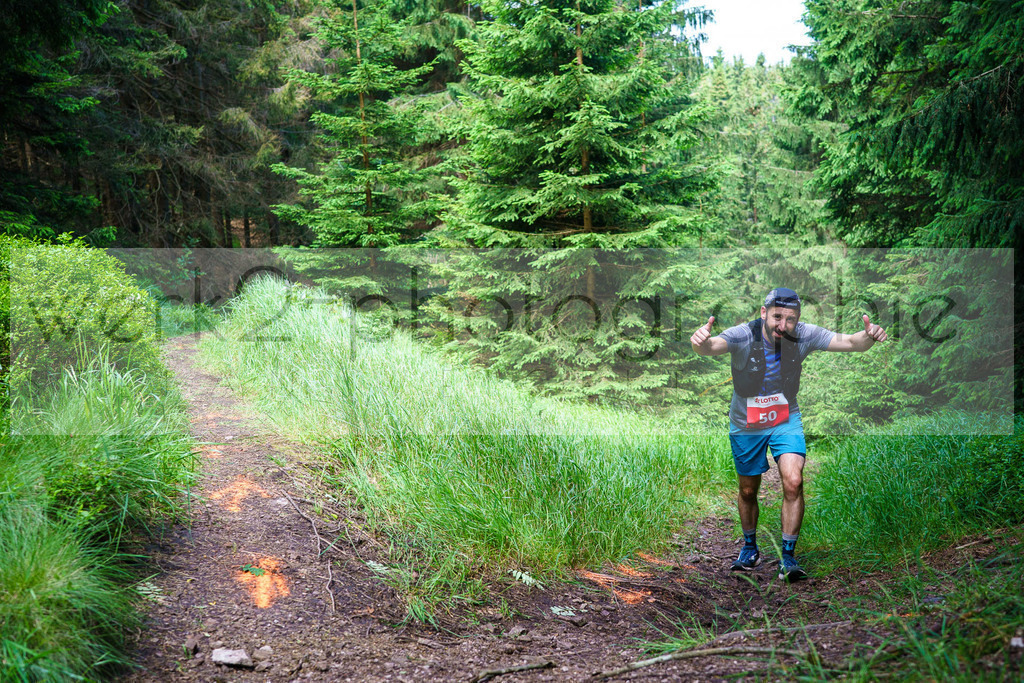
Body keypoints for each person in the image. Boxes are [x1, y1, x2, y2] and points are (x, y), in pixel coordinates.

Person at [690, 287, 887, 581]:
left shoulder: (804, 334)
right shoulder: (744, 335)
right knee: (748, 490)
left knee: (794, 481)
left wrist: (869, 336)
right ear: (764, 313)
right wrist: (700, 342)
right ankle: (749, 548)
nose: (783, 325)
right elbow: (712, 346)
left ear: (798, 319)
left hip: (786, 418)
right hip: (746, 423)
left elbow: (850, 342)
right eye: (777, 317)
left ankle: (788, 557)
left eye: (790, 319)